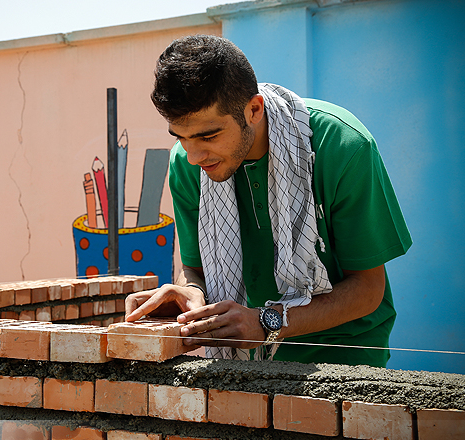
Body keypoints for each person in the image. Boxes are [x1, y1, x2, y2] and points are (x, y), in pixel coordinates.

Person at [125, 35, 412, 367]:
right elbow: (195, 269)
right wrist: (189, 293)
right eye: (181, 137)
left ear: (254, 110)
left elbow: (367, 289)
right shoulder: (187, 166)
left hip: (345, 363)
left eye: (208, 136)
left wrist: (265, 321)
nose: (194, 156)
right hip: (244, 364)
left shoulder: (341, 146)